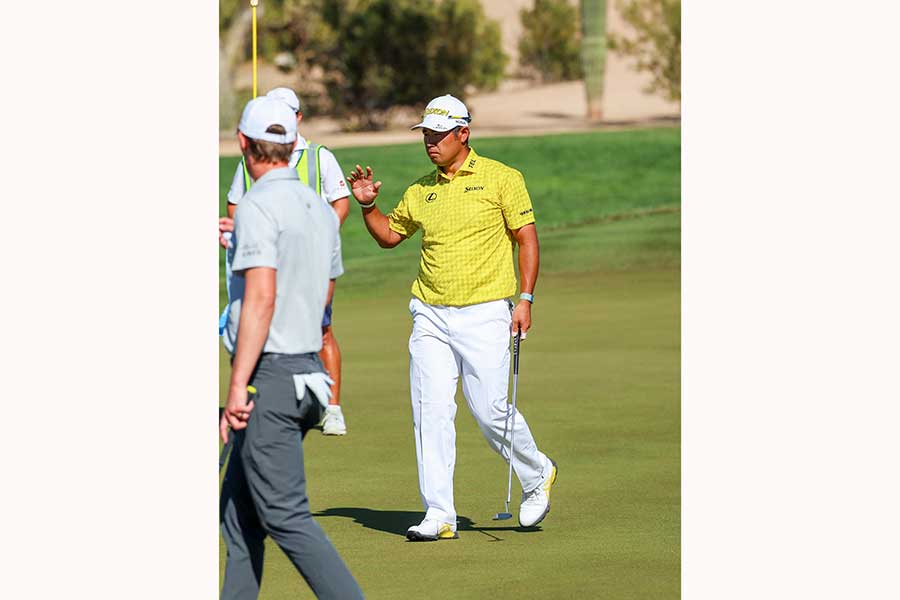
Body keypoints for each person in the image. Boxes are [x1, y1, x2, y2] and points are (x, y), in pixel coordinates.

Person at [346, 94, 558, 540]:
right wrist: (367, 206)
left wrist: (525, 298)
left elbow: (527, 239)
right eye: (425, 134)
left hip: (485, 313)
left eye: (438, 134)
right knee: (431, 412)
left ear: (463, 133)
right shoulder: (421, 189)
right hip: (430, 316)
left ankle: (537, 473)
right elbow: (389, 236)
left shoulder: (502, 178)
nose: (430, 142)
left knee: (490, 411)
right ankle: (439, 513)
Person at [219, 95, 363, 599]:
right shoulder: (318, 207)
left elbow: (260, 299)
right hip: (309, 375)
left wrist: (238, 386)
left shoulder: (257, 204)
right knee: (238, 515)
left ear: (243, 144)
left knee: (286, 516)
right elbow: (323, 293)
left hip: (273, 381)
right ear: (290, 143)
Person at [223, 87, 351, 436]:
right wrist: (241, 232)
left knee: (321, 328)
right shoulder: (250, 179)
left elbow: (340, 201)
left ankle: (333, 406)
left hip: (305, 265)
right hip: (271, 257)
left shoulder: (319, 156)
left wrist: (317, 238)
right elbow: (236, 205)